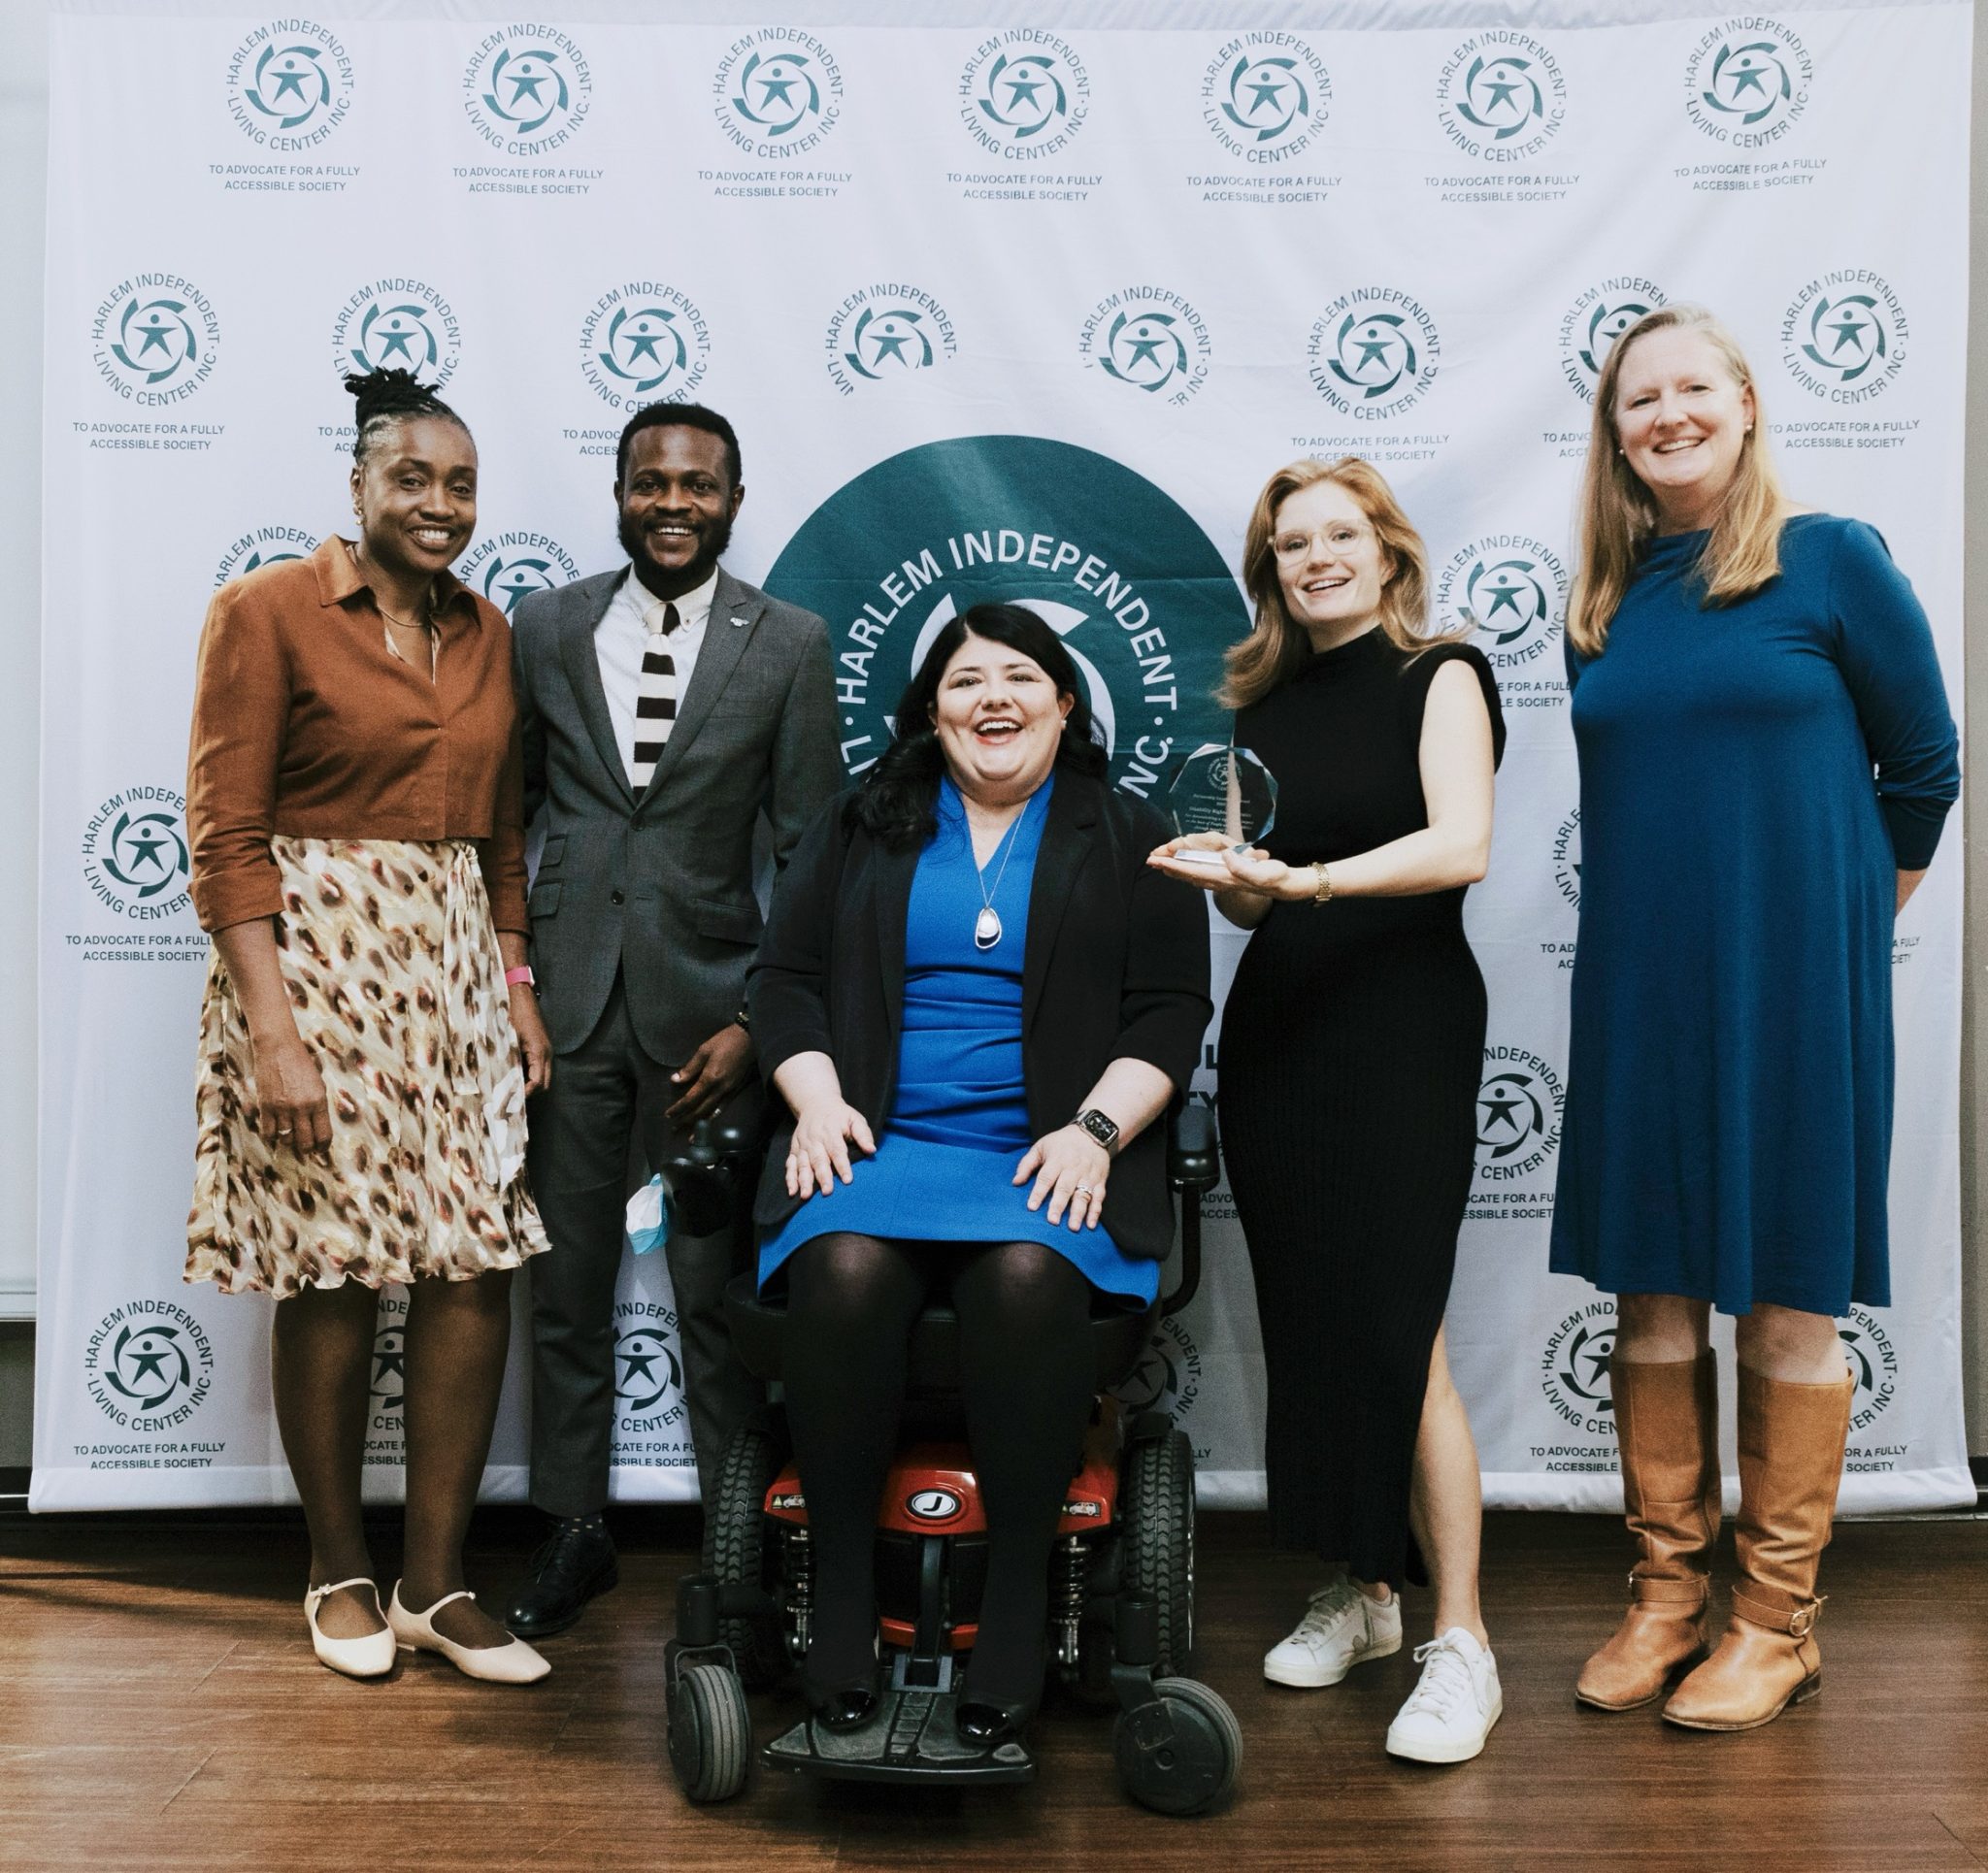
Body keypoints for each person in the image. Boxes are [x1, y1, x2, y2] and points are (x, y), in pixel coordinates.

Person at [1552, 305, 1959, 1731]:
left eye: (1689, 389)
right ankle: (1668, 1595)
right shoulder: (1601, 605)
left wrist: (1833, 925)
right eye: (1636, 398)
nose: (1664, 413)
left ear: (1743, 402)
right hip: (1640, 988)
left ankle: (1776, 1620)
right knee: (1651, 1288)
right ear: (1615, 432)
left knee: (1789, 1288)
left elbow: (1923, 769)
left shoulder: (1830, 559)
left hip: (1796, 991)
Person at [748, 605, 1211, 1743]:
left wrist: (1094, 1133)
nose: (991, 698)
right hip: (881, 1140)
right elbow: (785, 978)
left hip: (1047, 1149)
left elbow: (1168, 1011)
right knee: (844, 1267)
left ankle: (1014, 1606)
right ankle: (846, 1598)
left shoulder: (1127, 830)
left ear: (1065, 702)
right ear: (929, 711)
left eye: (1020, 677)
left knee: (1021, 1277)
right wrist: (814, 1099)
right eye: (964, 681)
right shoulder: (863, 823)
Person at [184, 368, 552, 1685]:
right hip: (316, 965)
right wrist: (272, 1033)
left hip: (454, 969)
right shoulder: (269, 609)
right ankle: (338, 1567)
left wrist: (514, 989)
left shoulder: (492, 631)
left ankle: (438, 1584)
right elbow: (224, 837)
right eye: (414, 478)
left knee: (471, 1259)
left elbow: (504, 833)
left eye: (460, 483)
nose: (441, 504)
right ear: (358, 484)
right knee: (333, 1264)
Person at [1150, 457, 1506, 1764]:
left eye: (1338, 534)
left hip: (1402, 1024)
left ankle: (1459, 1639)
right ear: (1273, 573)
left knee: (1398, 1329)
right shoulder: (1264, 698)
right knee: (1309, 1318)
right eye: (1291, 543)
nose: (1316, 557)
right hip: (1283, 1027)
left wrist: (1296, 880)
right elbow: (1254, 899)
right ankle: (1362, 1592)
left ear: (1387, 549)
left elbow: (1459, 843)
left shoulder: (1444, 672)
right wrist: (1230, 880)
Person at [503, 402, 839, 1639]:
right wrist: (518, 985)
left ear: (735, 499)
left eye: (697, 484)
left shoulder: (790, 644)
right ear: (619, 492)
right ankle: (572, 1531)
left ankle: (738, 1544)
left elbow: (809, 860)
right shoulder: (543, 625)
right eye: (650, 482)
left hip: (714, 1026)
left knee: (719, 1296)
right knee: (567, 1288)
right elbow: (505, 823)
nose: (673, 504)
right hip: (572, 1011)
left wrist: (759, 1023)